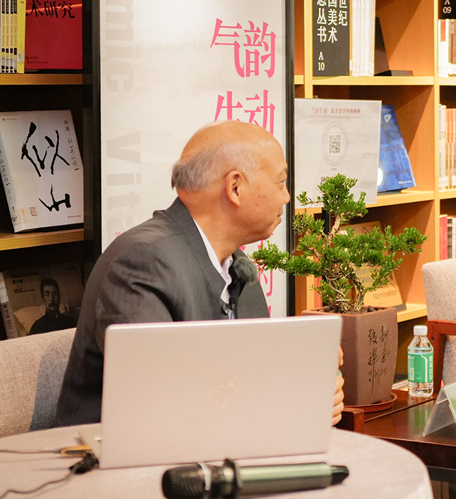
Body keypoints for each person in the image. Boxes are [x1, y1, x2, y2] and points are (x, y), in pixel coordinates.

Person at [55, 121, 345, 428]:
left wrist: (303, 376)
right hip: (119, 452)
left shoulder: (237, 265)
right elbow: (162, 402)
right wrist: (290, 406)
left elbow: (244, 376)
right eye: (280, 182)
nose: (286, 197)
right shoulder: (143, 260)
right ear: (235, 187)